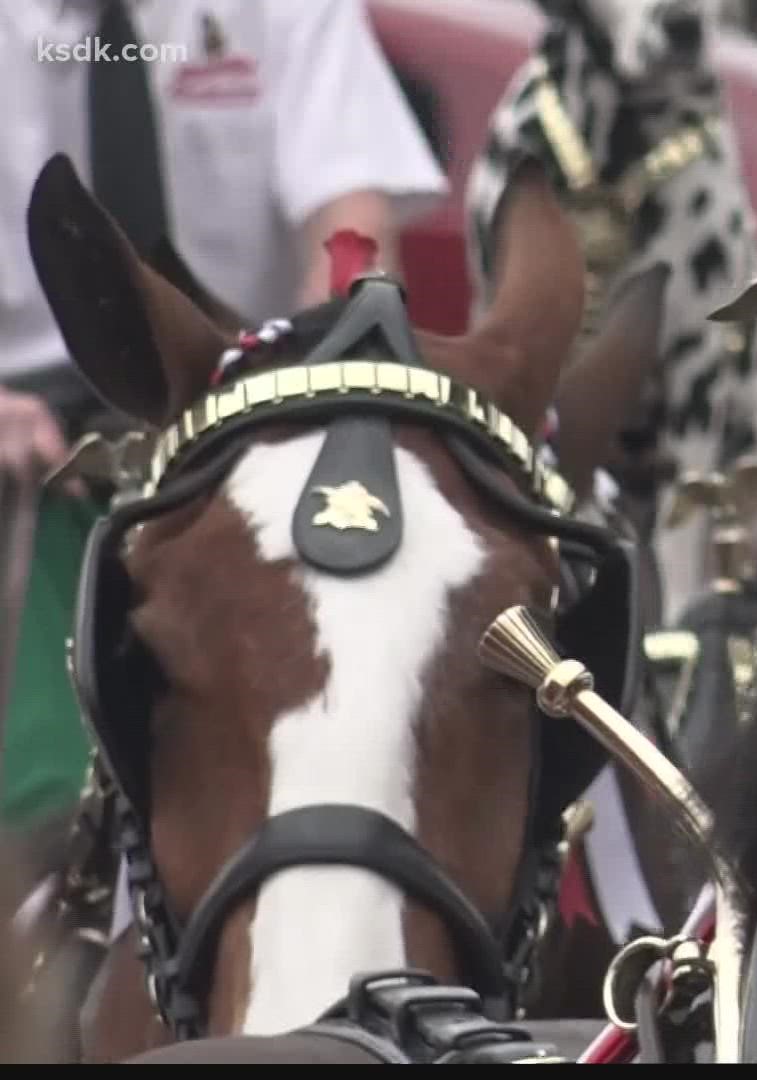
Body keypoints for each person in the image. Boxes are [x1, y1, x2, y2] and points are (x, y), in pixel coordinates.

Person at [0, 0, 447, 834]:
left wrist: (321, 374)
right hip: (22, 447)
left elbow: (351, 216)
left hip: (237, 426)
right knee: (49, 811)